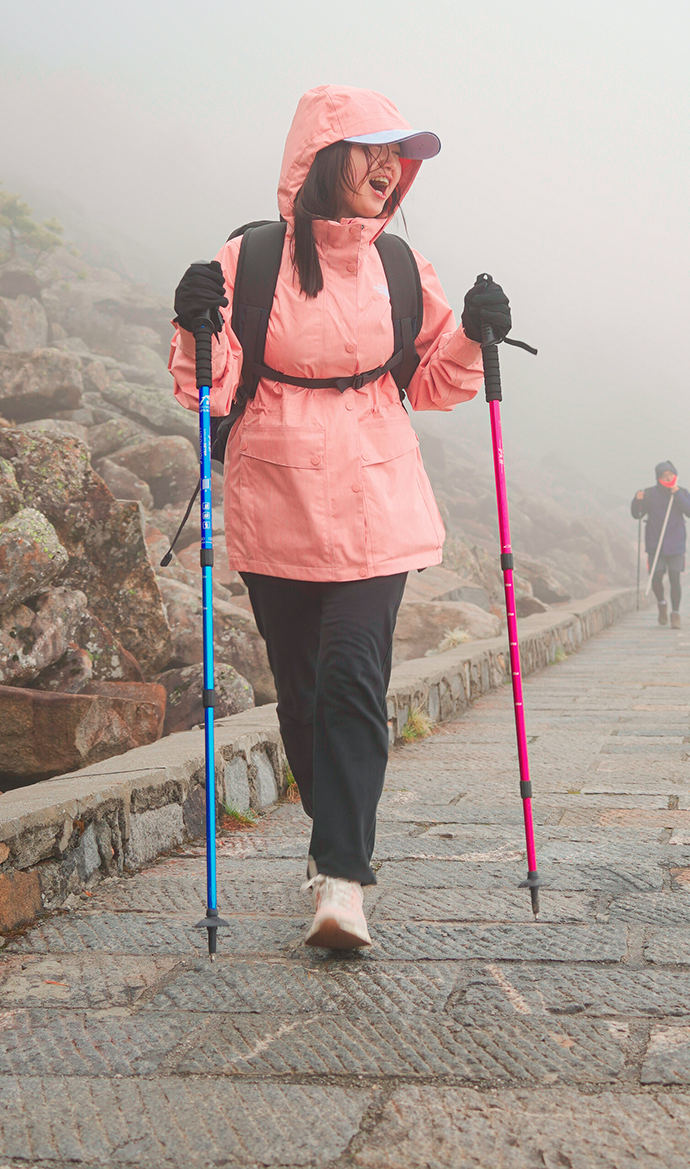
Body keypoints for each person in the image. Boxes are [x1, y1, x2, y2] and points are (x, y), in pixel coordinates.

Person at [169, 85, 513, 951]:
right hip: (275, 505)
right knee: (303, 697)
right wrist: (193, 322)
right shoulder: (251, 260)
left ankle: (342, 875)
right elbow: (208, 389)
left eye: (401, 155)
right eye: (373, 148)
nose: (392, 168)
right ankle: (338, 837)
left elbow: (434, 381)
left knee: (354, 676)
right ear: (324, 157)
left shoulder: (399, 267)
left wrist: (472, 332)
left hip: (375, 506)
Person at [631, 462, 690, 629]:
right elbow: (637, 514)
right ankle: (661, 604)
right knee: (656, 576)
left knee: (675, 578)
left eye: (671, 474)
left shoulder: (681, 492)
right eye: (664, 475)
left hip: (676, 544)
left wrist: (678, 495)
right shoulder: (650, 494)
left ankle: (675, 614)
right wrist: (636, 500)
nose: (668, 478)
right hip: (655, 543)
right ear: (658, 478)